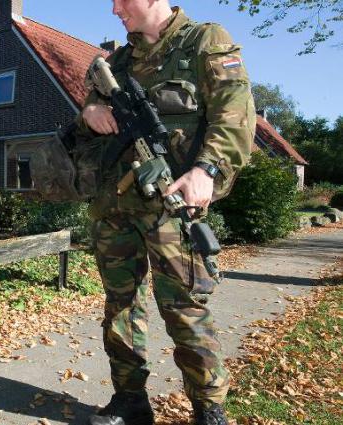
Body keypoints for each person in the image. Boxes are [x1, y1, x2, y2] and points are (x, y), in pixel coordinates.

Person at [76, 1, 255, 424]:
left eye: (123, 0)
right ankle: (130, 400)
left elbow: (235, 114)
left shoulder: (204, 41)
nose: (115, 9)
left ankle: (209, 407)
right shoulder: (116, 61)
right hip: (116, 206)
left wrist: (206, 169)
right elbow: (85, 117)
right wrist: (90, 112)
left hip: (171, 205)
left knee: (184, 309)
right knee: (120, 307)